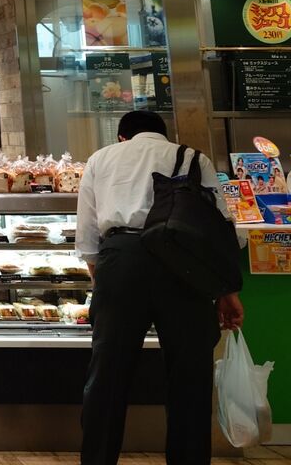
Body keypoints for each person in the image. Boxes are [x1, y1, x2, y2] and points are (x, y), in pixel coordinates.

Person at [77, 110, 243, 465]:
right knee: (190, 375)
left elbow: (88, 235)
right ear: (164, 134)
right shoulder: (193, 158)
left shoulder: (100, 159)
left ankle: (97, 459)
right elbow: (219, 227)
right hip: (183, 266)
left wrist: (104, 281)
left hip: (121, 259)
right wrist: (226, 292)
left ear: (122, 136)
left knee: (107, 374)